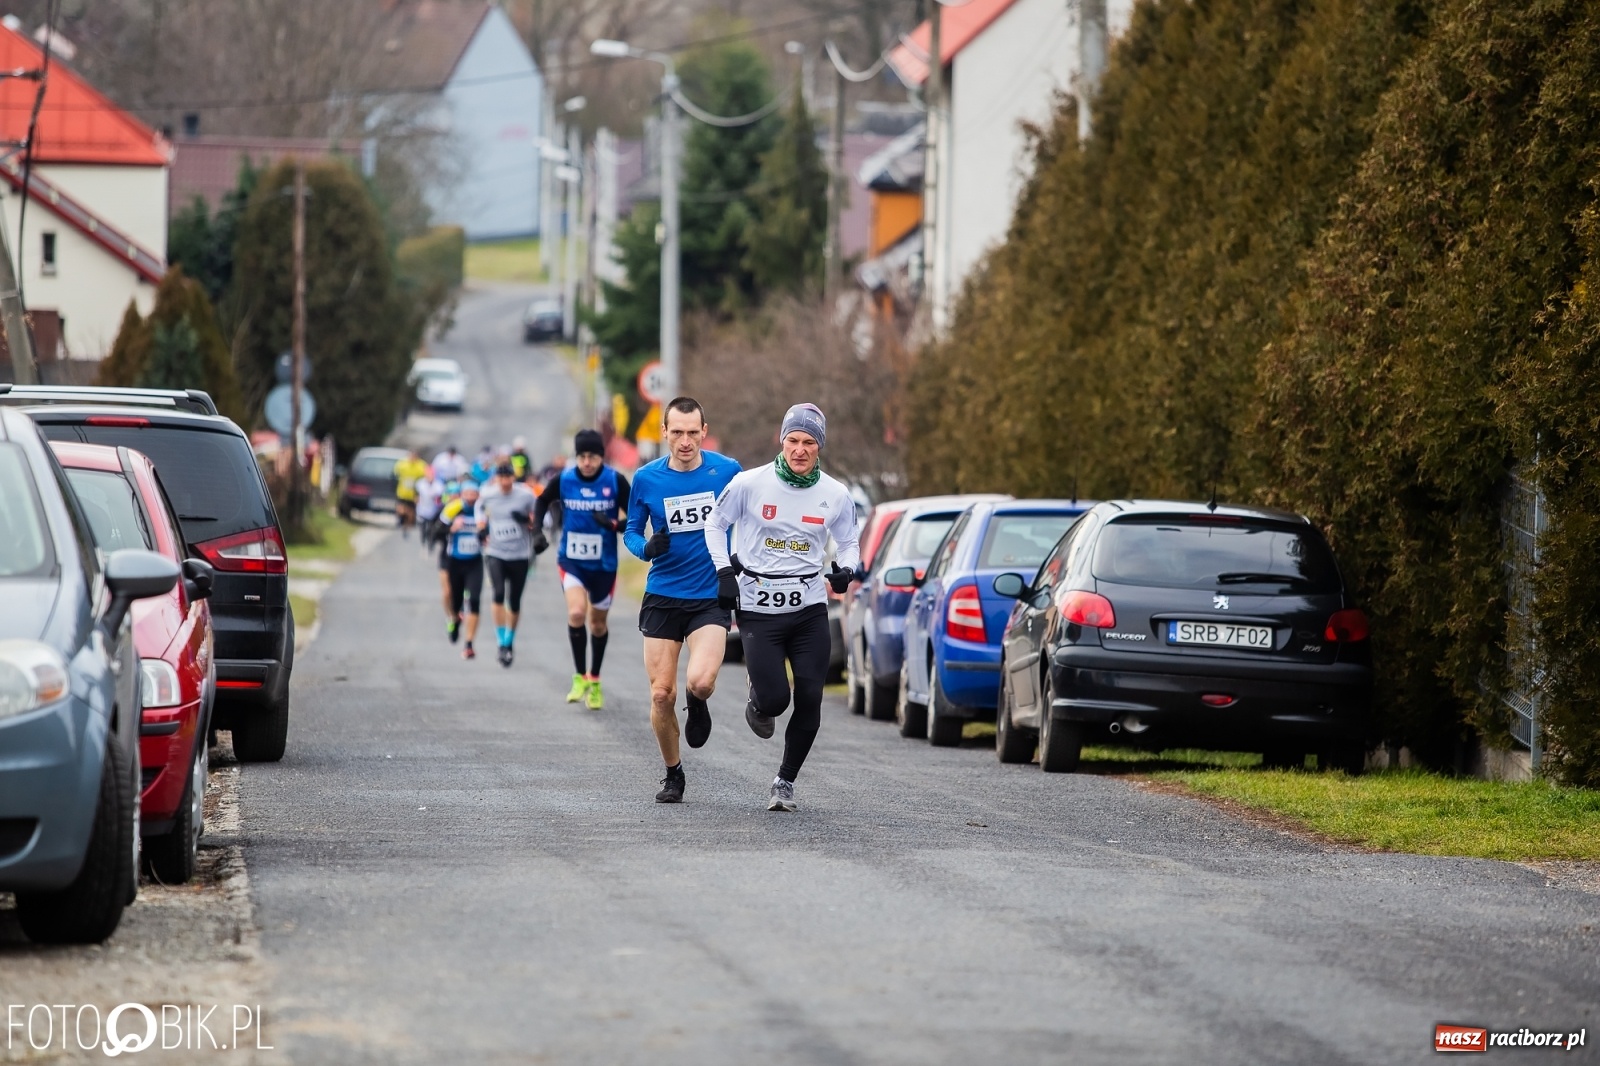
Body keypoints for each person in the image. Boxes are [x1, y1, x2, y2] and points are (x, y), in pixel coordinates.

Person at [705, 403, 860, 812]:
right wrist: (723, 571)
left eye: (809, 442)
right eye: (793, 440)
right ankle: (759, 696)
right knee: (776, 701)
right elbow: (715, 524)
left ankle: (784, 781)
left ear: (820, 447)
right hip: (758, 604)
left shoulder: (835, 494)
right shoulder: (749, 483)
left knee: (810, 696)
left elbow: (848, 541)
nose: (800, 449)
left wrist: (847, 568)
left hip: (809, 606)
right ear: (781, 440)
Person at [625, 398, 742, 803]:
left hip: (709, 595)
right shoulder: (646, 478)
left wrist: (738, 563)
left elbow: (749, 519)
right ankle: (673, 773)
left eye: (693, 432)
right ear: (664, 433)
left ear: (704, 431)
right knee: (660, 694)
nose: (686, 440)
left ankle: (698, 701)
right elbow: (630, 532)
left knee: (701, 681)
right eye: (677, 432)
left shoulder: (727, 471)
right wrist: (646, 547)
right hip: (663, 595)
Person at [532, 429, 630, 710]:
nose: (587, 462)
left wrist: (612, 525)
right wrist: (537, 532)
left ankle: (595, 680)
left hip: (604, 565)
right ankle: (579, 677)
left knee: (597, 624)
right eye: (582, 457)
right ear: (577, 457)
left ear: (602, 456)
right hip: (571, 561)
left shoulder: (614, 480)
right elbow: (541, 501)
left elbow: (636, 515)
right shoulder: (564, 479)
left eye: (593, 457)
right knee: (576, 612)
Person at [476, 462, 539, 667]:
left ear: (513, 477)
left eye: (508, 477)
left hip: (520, 555)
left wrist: (528, 521)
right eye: (501, 478)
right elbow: (478, 508)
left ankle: (509, 641)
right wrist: (481, 527)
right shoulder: (488, 494)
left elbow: (541, 518)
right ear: (496, 478)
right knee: (498, 593)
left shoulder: (526, 495)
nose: (505, 482)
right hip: (496, 553)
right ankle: (500, 642)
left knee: (514, 601)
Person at [441, 481, 486, 659]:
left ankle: (469, 644)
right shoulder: (453, 508)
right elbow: (437, 530)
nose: (470, 498)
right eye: (466, 494)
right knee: (455, 600)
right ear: (462, 495)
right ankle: (454, 619)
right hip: (455, 561)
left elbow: (490, 530)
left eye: (473, 494)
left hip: (475, 561)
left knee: (474, 600)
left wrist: (485, 534)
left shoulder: (482, 511)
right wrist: (451, 528)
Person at [394, 449, 428, 538]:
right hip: (402, 492)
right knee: (401, 509)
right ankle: (400, 520)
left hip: (414, 494)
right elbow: (395, 474)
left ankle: (407, 527)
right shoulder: (402, 464)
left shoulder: (422, 465)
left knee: (411, 513)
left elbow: (425, 479)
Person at [415, 466, 445, 554]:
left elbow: (440, 497)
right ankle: (423, 543)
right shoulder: (420, 483)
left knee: (432, 529)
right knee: (423, 528)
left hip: (434, 510)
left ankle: (431, 544)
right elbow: (416, 496)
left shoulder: (438, 485)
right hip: (422, 509)